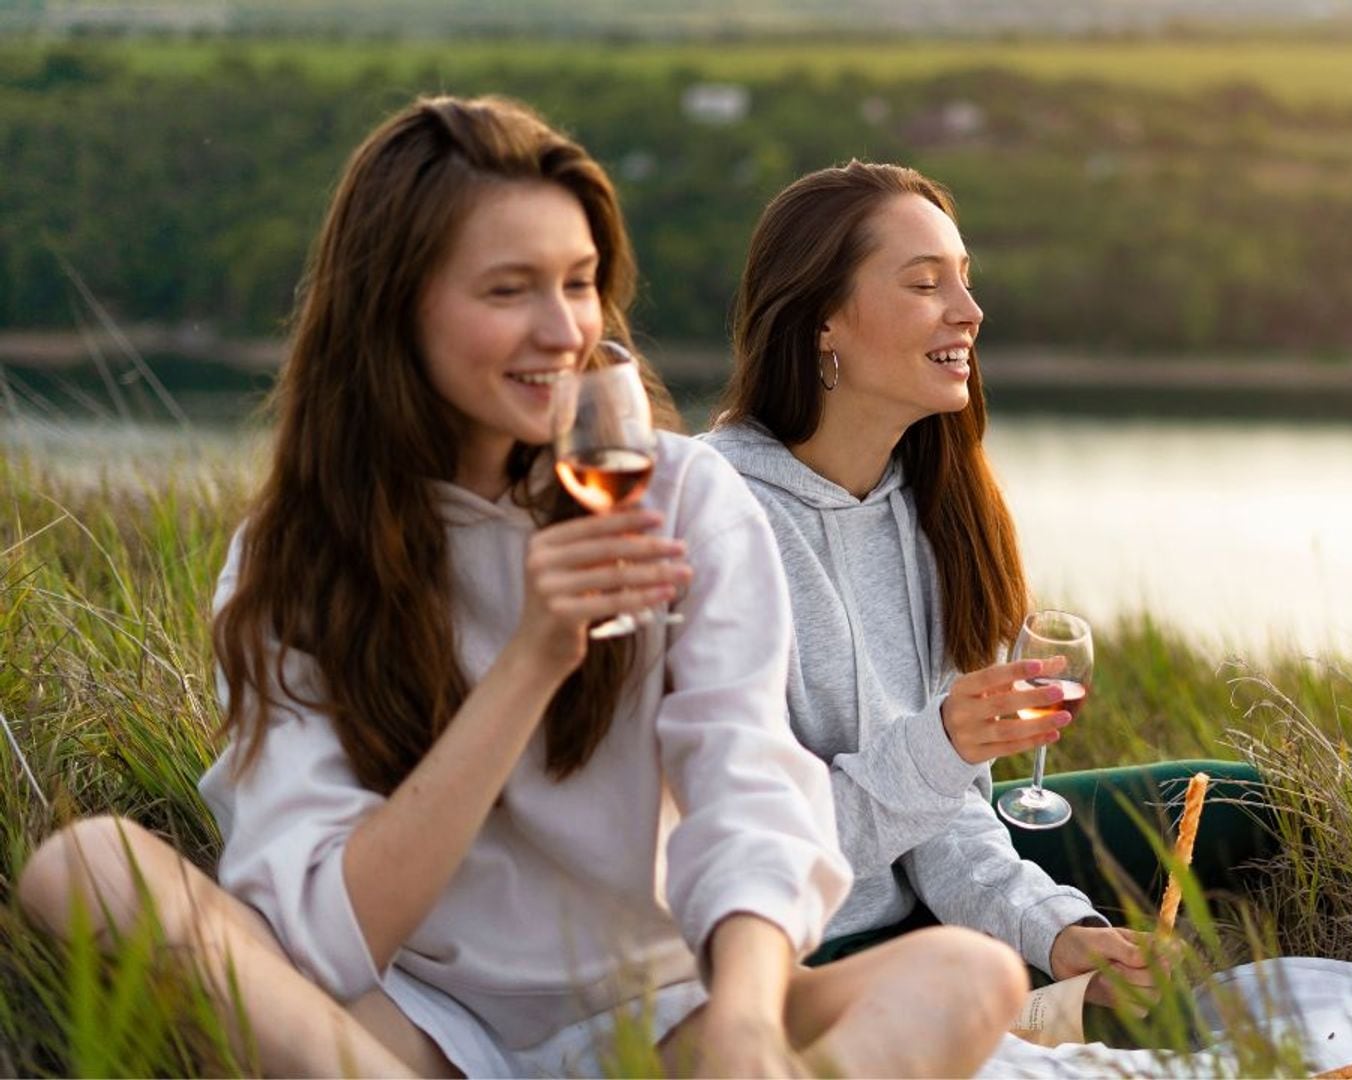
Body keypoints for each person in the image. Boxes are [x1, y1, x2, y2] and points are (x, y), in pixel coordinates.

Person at [18, 99, 1025, 1078]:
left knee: (968, 976)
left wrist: (749, 1028)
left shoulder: (681, 494)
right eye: (509, 291)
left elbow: (751, 797)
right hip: (418, 1021)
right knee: (91, 866)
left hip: (659, 1012)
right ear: (394, 306)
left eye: (580, 283)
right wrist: (534, 660)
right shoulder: (297, 558)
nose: (562, 330)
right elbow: (326, 940)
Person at [701, 161, 1277, 1018]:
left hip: (928, 893)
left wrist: (1054, 929)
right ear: (823, 319)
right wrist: (941, 744)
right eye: (925, 284)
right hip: (804, 940)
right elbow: (754, 851)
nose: (969, 313)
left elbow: (946, 811)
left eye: (964, 281)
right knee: (1143, 1030)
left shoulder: (930, 503)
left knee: (1242, 804)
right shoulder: (718, 519)